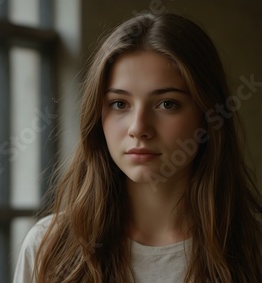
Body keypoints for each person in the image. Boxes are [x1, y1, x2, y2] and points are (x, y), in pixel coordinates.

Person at [13, 12, 262, 283]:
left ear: (208, 113)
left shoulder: (254, 249)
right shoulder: (49, 246)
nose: (138, 127)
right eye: (120, 104)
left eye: (167, 104)